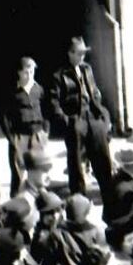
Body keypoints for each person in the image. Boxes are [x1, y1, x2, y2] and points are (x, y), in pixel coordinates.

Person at [45, 35, 116, 209]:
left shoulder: (87, 69)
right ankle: (79, 203)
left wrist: (103, 115)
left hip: (92, 117)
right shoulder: (59, 75)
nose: (82, 57)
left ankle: (110, 197)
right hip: (75, 121)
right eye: (79, 53)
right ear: (70, 54)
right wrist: (68, 121)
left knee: (102, 158)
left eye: (84, 53)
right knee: (76, 164)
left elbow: (95, 94)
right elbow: (54, 103)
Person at [0, 55, 49, 196]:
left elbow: (47, 111)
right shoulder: (11, 93)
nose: (30, 75)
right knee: (18, 172)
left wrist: (45, 132)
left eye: (32, 72)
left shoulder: (39, 90)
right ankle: (17, 204)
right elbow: (3, 117)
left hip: (38, 135)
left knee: (38, 170)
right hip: (19, 136)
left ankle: (40, 202)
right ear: (19, 73)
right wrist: (11, 138)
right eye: (26, 72)